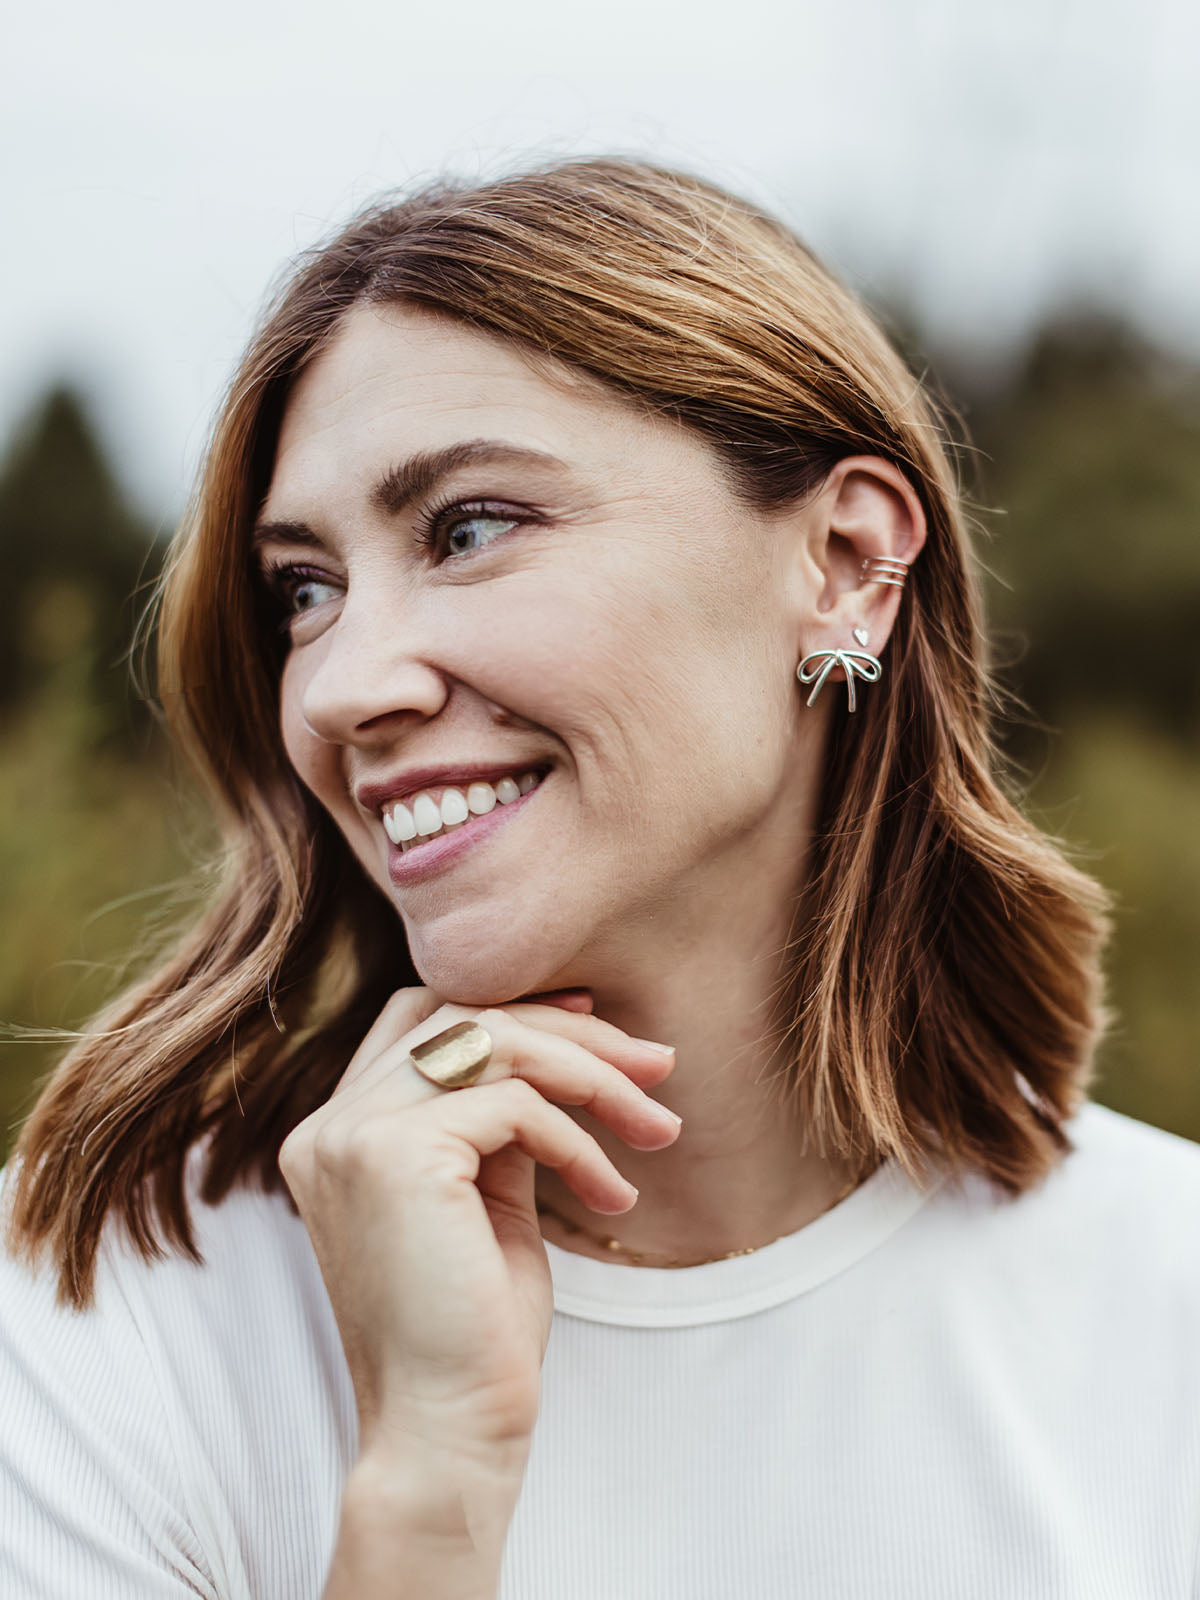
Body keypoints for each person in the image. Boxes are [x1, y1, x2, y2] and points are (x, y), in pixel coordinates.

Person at [1, 157, 1198, 1600]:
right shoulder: (95, 1314)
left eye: (470, 529)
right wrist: (430, 1487)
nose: (341, 688)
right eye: (305, 590)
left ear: (845, 565)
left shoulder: (1167, 1304)